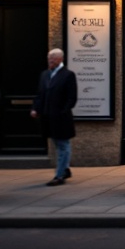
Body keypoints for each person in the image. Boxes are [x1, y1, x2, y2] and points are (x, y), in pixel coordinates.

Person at [31, 48, 78, 186]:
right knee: (58, 143)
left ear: (60, 59)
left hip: (61, 117)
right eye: (49, 58)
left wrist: (63, 111)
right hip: (48, 116)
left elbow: (72, 97)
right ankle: (65, 168)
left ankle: (59, 175)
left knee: (63, 144)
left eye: (53, 58)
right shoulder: (45, 75)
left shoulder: (68, 75)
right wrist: (35, 108)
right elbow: (40, 94)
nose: (50, 61)